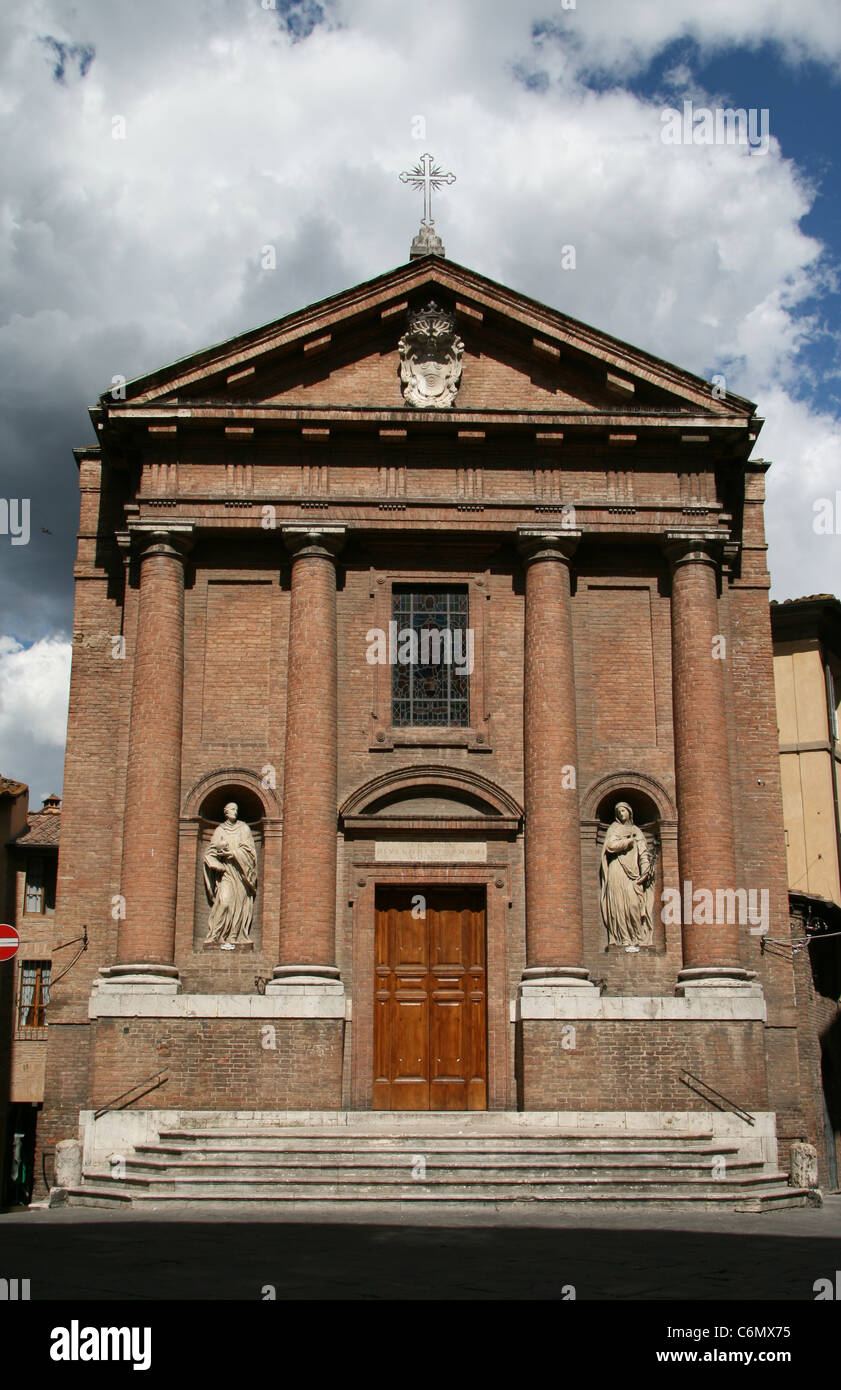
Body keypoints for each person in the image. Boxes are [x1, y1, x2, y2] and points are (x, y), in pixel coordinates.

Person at [599, 801, 654, 952]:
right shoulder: (614, 828)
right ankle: (623, 939)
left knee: (633, 904)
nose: (621, 814)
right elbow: (610, 846)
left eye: (623, 811)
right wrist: (628, 841)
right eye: (618, 812)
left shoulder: (637, 831)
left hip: (633, 873)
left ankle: (637, 938)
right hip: (617, 869)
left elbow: (643, 853)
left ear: (629, 812)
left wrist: (645, 872)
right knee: (618, 905)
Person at [203, 802, 258, 949]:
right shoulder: (219, 830)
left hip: (241, 874)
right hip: (226, 872)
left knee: (239, 904)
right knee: (225, 901)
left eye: (236, 809)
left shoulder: (244, 828)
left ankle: (234, 937)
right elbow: (210, 852)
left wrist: (233, 853)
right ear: (226, 812)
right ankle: (215, 936)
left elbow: (250, 852)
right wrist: (215, 861)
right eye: (232, 809)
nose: (235, 812)